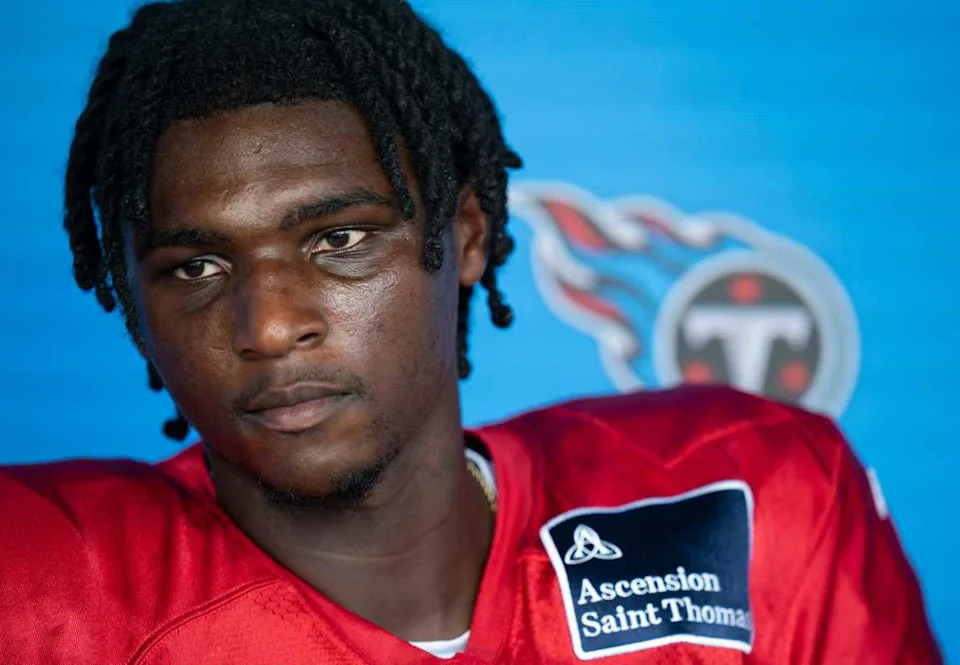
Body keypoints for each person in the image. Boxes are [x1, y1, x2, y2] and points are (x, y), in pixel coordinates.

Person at [0, 0, 942, 662]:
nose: (271, 325)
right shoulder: (41, 582)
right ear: (130, 297)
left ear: (467, 234)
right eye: (196, 267)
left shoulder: (738, 497)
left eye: (339, 240)